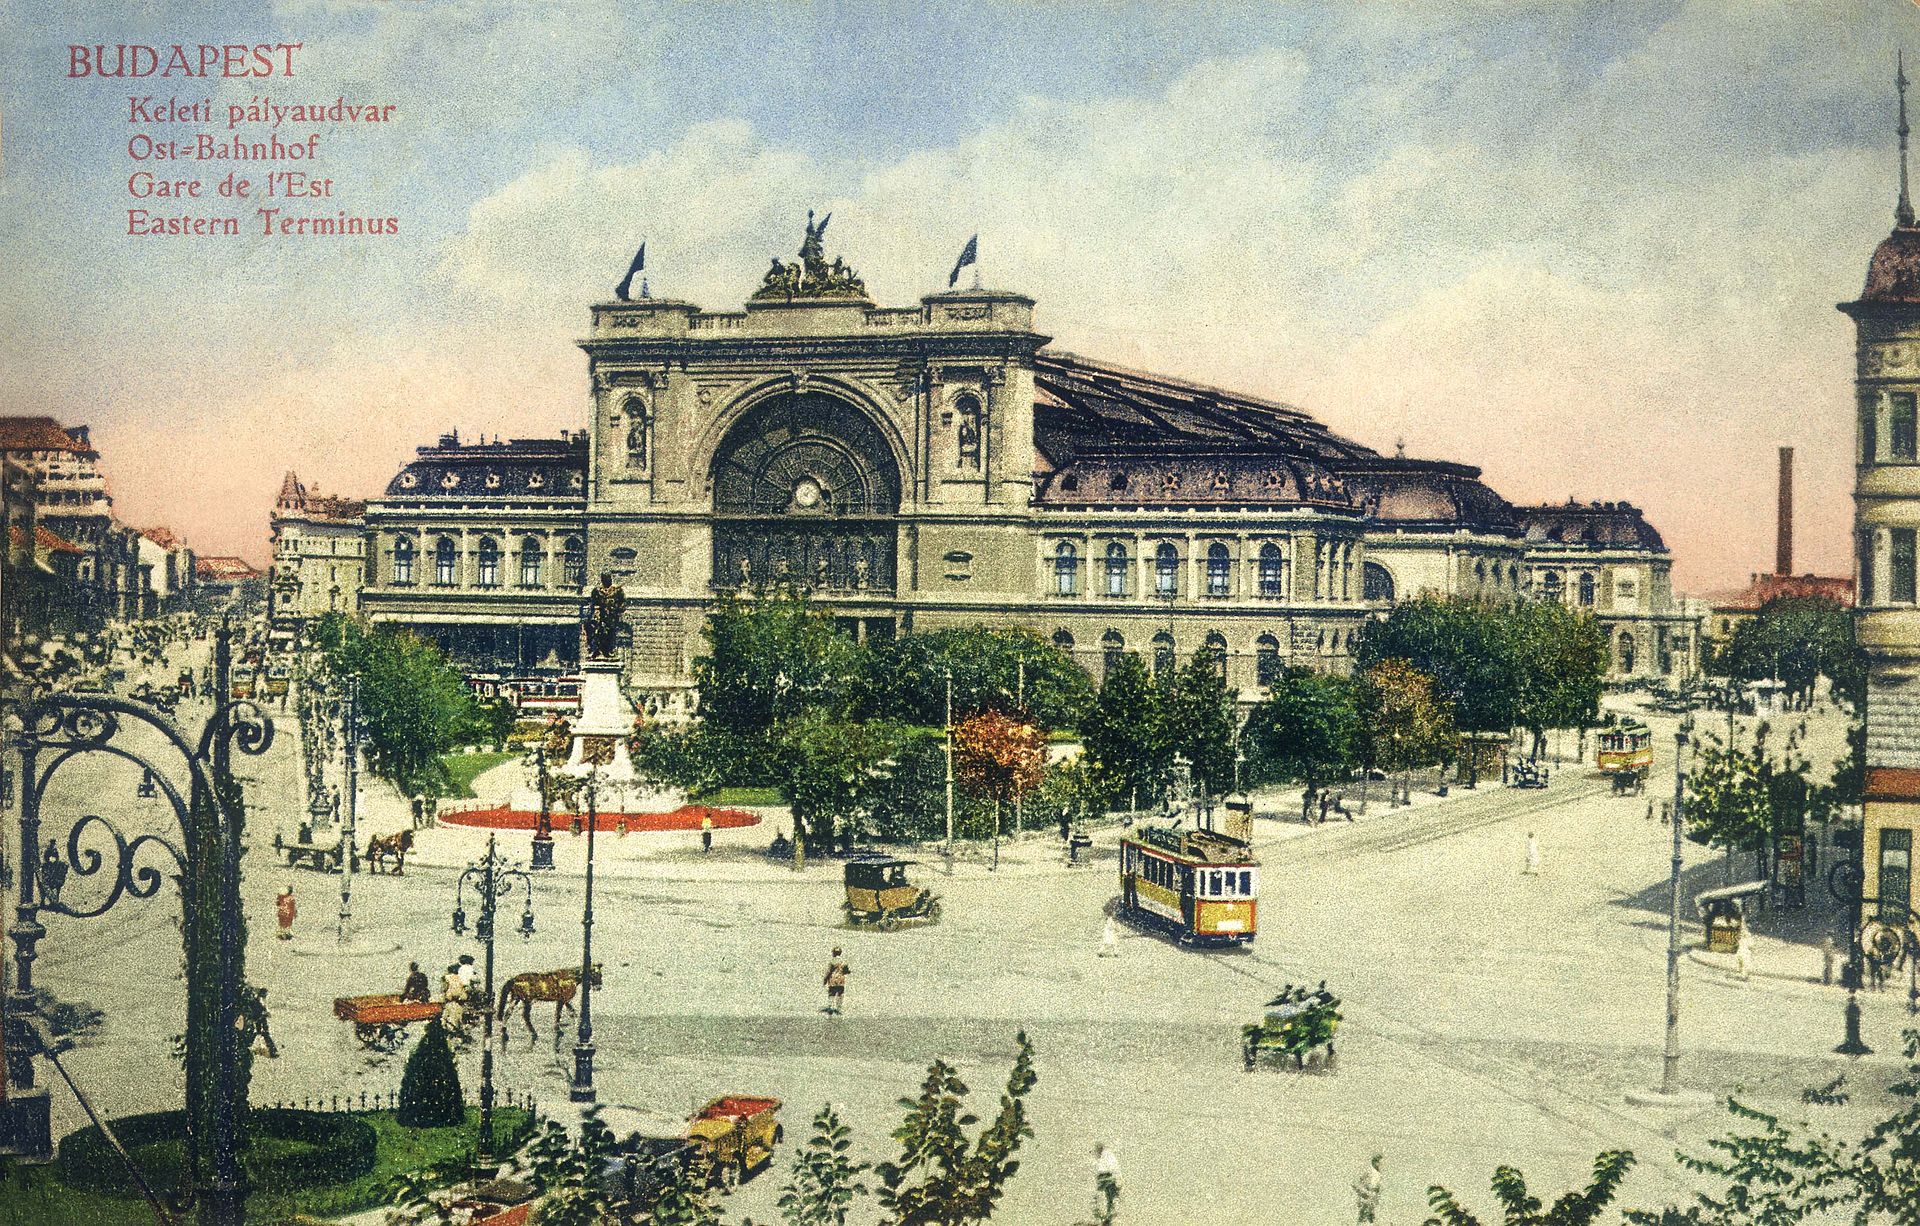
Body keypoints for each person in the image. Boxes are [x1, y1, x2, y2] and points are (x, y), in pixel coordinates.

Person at [238, 985, 278, 1058]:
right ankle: (272, 1050)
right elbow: (257, 1011)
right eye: (264, 995)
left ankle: (272, 1050)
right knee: (260, 1033)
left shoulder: (258, 1000)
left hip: (259, 1019)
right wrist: (264, 1014)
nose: (265, 997)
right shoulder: (257, 1001)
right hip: (258, 1019)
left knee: (260, 1033)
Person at [1354, 1153, 1383, 1224]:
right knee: (1363, 1219)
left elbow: (1377, 1189)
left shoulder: (1378, 1174)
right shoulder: (1369, 1172)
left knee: (1370, 1219)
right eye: (1379, 1162)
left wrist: (1376, 1197)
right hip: (1366, 1199)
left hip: (1373, 1200)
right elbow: (1355, 1183)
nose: (1381, 1165)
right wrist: (1365, 1193)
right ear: (1375, 1162)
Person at [823, 947, 850, 1016]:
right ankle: (838, 1009)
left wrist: (825, 979)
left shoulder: (832, 961)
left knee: (831, 993)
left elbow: (829, 971)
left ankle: (830, 1008)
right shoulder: (844, 961)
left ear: (834, 953)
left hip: (833, 979)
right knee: (840, 994)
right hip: (841, 980)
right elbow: (846, 971)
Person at [441, 964, 467, 1031]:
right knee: (458, 1019)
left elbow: (444, 989)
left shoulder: (446, 977)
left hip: (450, 1001)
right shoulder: (461, 978)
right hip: (459, 1002)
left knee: (446, 1018)